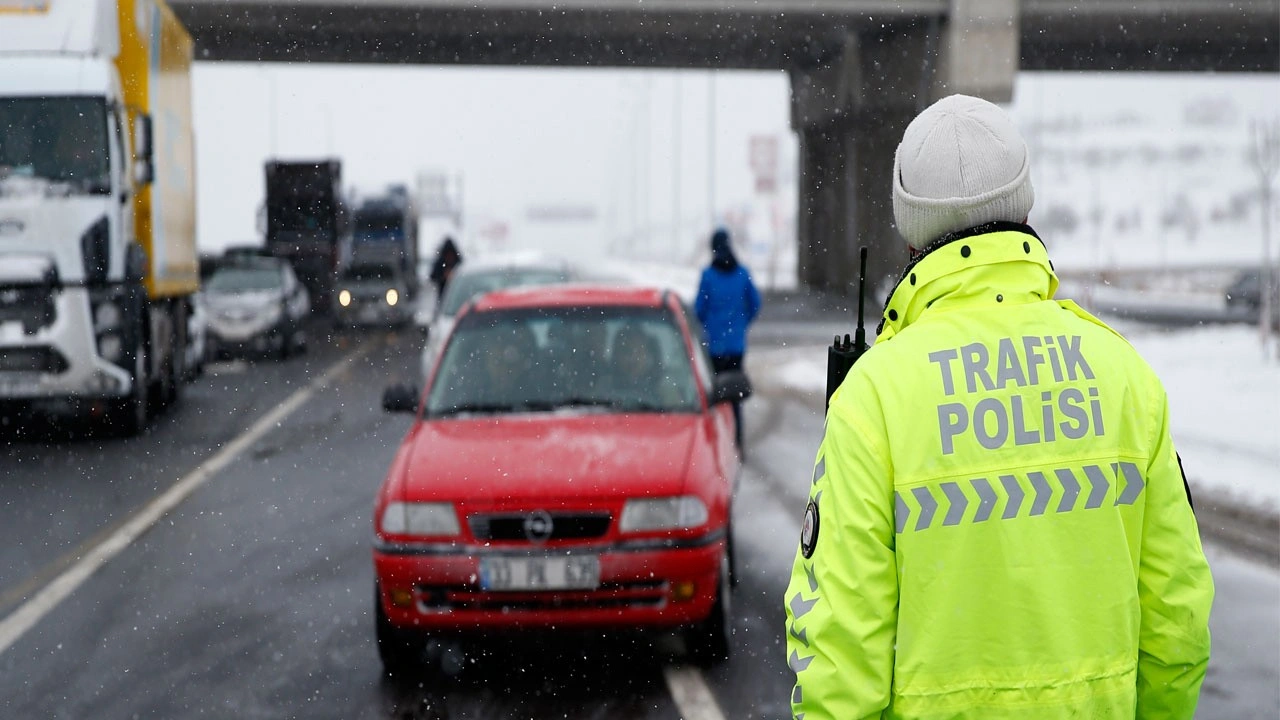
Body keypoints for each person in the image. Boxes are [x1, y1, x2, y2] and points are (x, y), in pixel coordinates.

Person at [784, 94, 1213, 719]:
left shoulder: (874, 397)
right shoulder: (1122, 374)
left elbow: (837, 652)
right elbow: (1177, 621)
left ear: (909, 232)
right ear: (1024, 206)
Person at [694, 227, 761, 449]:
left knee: (715, 397)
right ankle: (737, 443)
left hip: (714, 347)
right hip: (736, 346)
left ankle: (718, 444)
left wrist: (711, 326)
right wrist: (741, 324)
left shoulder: (708, 276)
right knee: (735, 397)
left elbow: (699, 310)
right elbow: (755, 304)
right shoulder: (742, 273)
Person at [429, 236, 463, 302]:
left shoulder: (458, 263)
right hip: (443, 296)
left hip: (457, 297)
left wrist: (454, 276)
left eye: (451, 255)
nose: (449, 257)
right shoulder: (440, 263)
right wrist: (443, 277)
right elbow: (432, 276)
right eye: (447, 255)